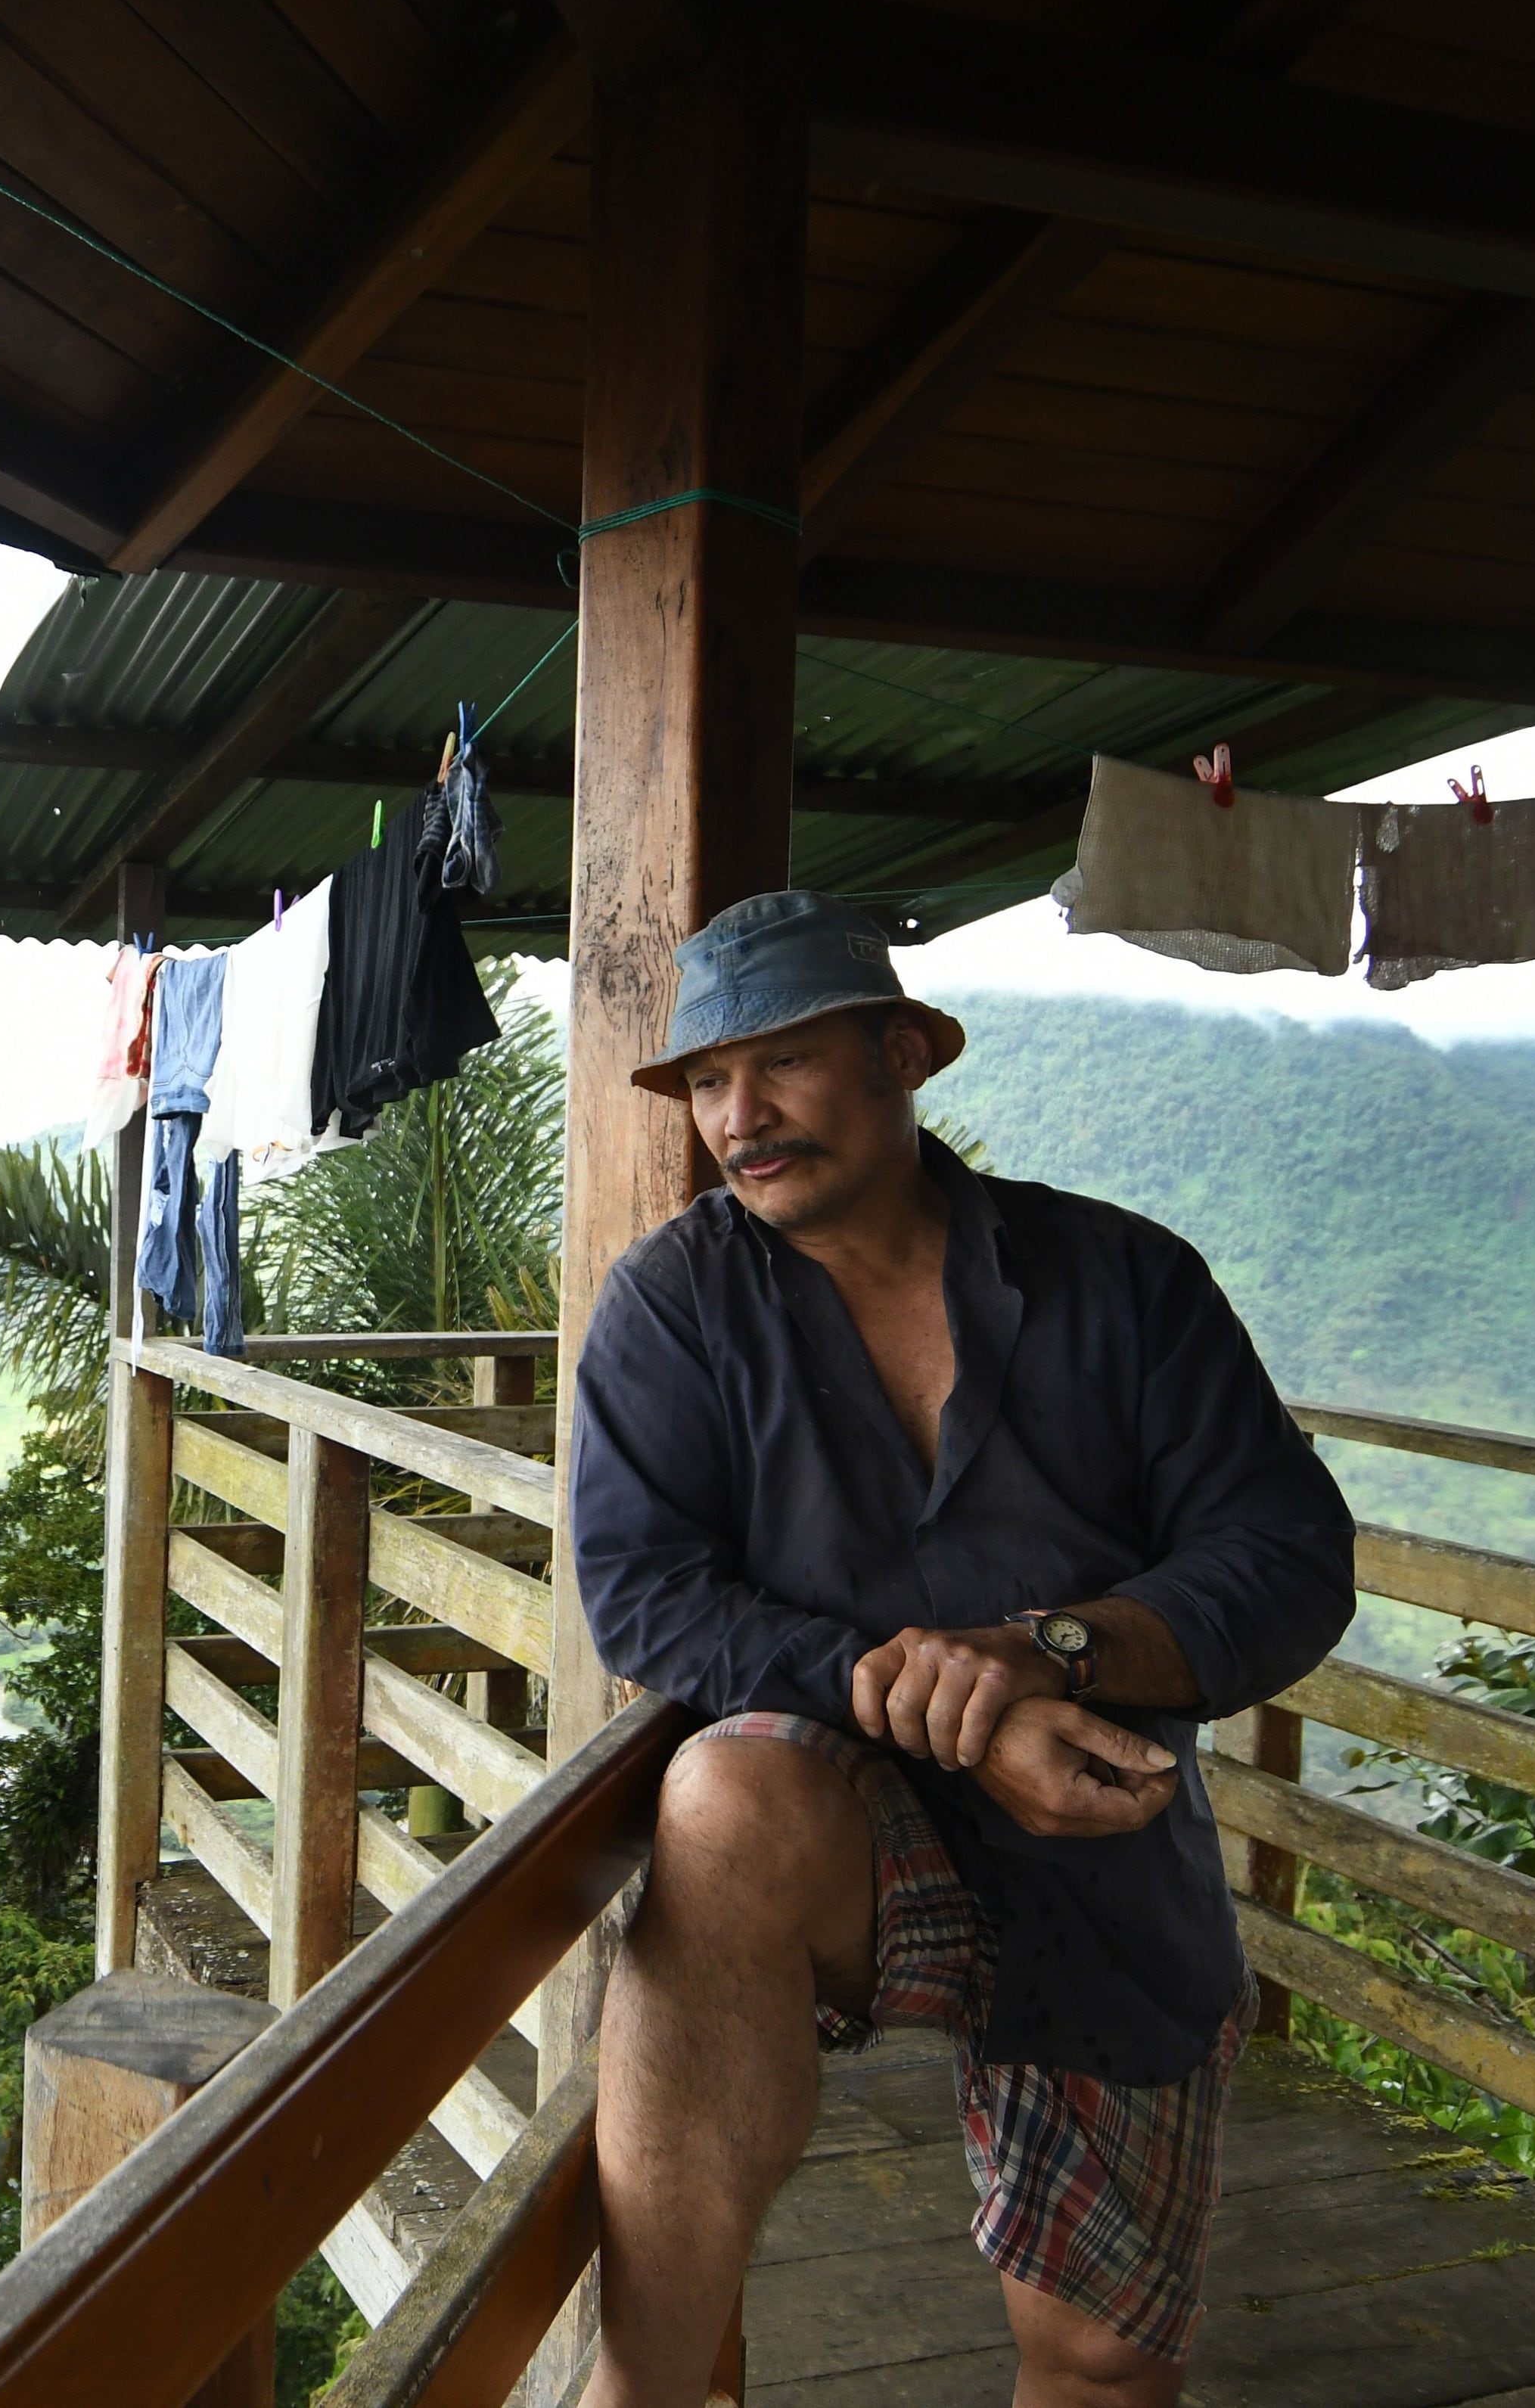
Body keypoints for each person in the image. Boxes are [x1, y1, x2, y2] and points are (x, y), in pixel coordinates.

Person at [567, 890, 1354, 2408]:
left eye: (783, 1061)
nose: (742, 1115)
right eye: (709, 1082)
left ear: (900, 1055)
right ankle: (643, 2391)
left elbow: (1286, 1555)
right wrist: (928, 1703)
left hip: (1099, 1847)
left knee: (1103, 2361)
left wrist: (1047, 1651)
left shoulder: (1121, 1283)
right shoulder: (675, 1306)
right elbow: (648, 1595)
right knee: (723, 1792)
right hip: (836, 1827)